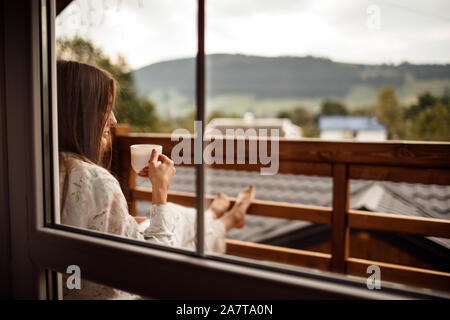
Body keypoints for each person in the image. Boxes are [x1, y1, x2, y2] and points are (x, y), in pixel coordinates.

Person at [57, 60, 255, 255]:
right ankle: (227, 221)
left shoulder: (46, 167)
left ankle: (211, 215)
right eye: (105, 108)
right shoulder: (98, 182)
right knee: (186, 245)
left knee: (174, 215)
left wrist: (123, 222)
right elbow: (157, 261)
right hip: (132, 282)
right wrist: (160, 190)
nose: (114, 120)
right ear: (81, 115)